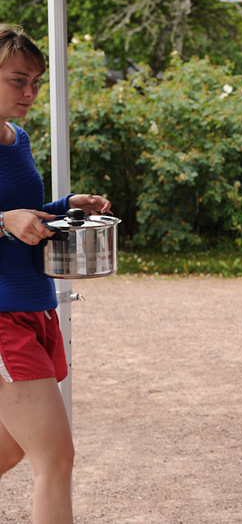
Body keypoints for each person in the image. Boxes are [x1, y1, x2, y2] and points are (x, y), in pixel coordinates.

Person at [0, 25, 112, 522]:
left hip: (37, 307)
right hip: (4, 320)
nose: (30, 93)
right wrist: (3, 221)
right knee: (55, 458)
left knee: (12, 452)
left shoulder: (16, 138)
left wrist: (63, 207)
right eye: (18, 80)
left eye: (36, 82)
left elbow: (20, 213)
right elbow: (7, 218)